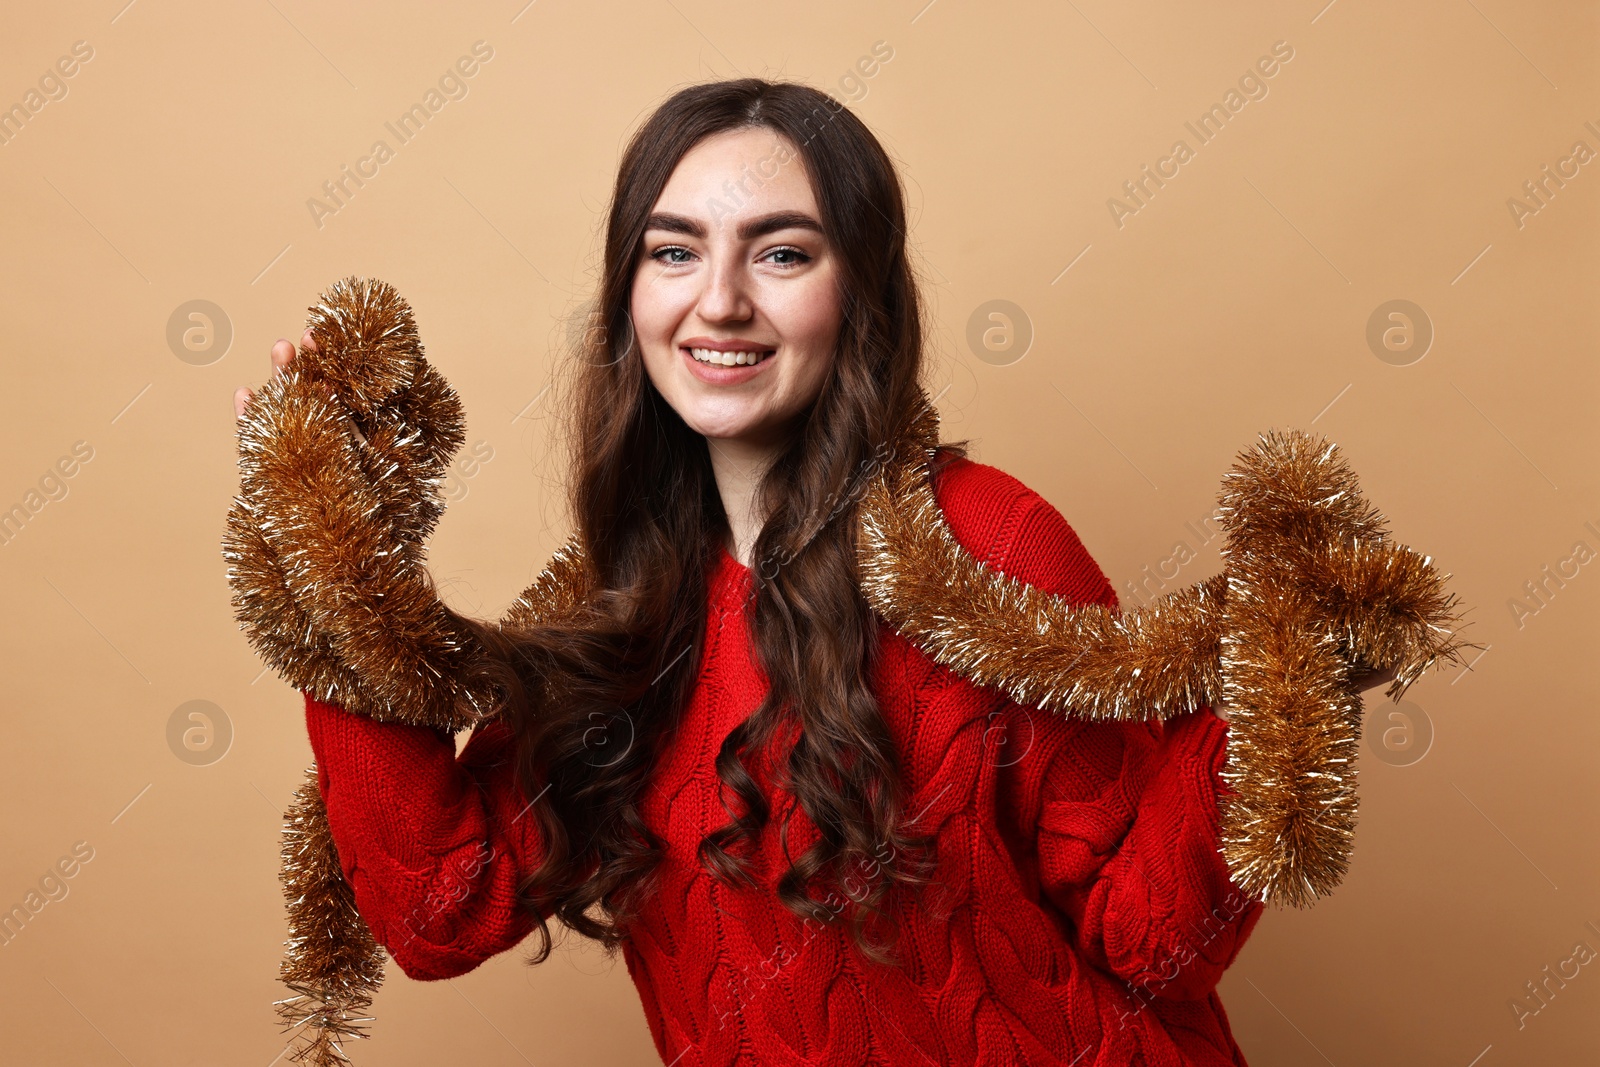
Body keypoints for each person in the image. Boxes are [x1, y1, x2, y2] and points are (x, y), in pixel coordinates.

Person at [235, 78, 1385, 1066]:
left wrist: (1285, 679)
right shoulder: (622, 609)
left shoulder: (986, 542)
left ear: (861, 295)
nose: (718, 300)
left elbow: (1147, 935)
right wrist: (333, 552)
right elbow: (439, 906)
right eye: (674, 251)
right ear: (629, 296)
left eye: (781, 251)